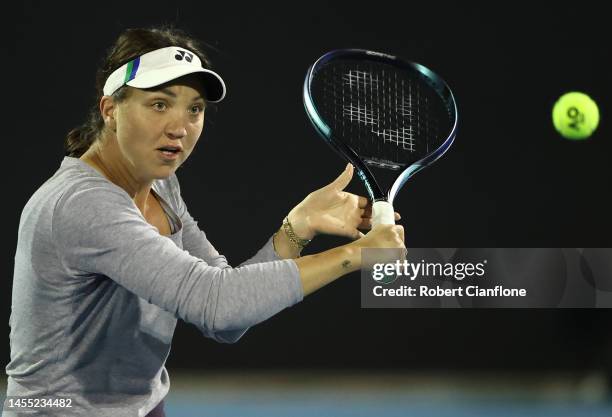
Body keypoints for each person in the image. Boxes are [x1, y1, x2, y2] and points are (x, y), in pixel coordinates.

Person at [4, 26, 405, 417]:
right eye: (159, 104)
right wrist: (355, 255)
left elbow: (228, 318)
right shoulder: (83, 204)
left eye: (194, 109)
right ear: (110, 110)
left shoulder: (162, 186)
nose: (179, 128)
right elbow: (219, 305)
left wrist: (295, 229)